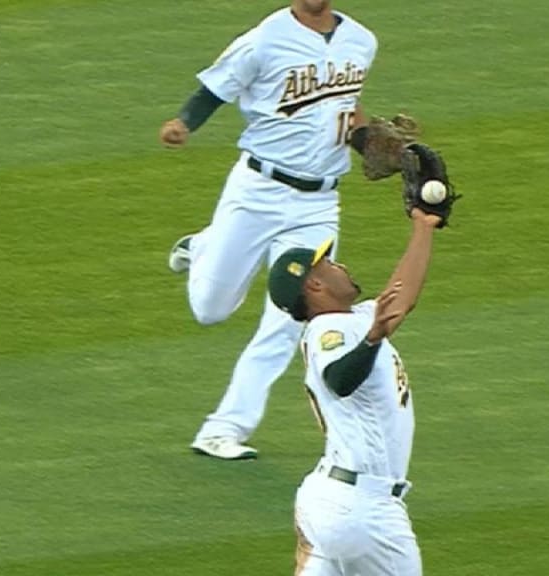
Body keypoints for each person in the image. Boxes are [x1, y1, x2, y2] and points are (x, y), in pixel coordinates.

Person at [159, 0, 379, 460]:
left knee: (289, 319)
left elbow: (346, 107)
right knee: (210, 310)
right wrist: (183, 123)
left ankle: (224, 428)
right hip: (257, 191)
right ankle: (205, 246)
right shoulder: (264, 39)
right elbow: (215, 87)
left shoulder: (361, 40)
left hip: (319, 203)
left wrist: (371, 141)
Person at [266, 143, 456, 575]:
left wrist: (423, 226)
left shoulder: (351, 318)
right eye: (326, 265)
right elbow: (339, 378)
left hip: (330, 499)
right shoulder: (327, 331)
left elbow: (400, 297)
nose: (340, 265)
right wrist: (371, 340)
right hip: (364, 511)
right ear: (314, 288)